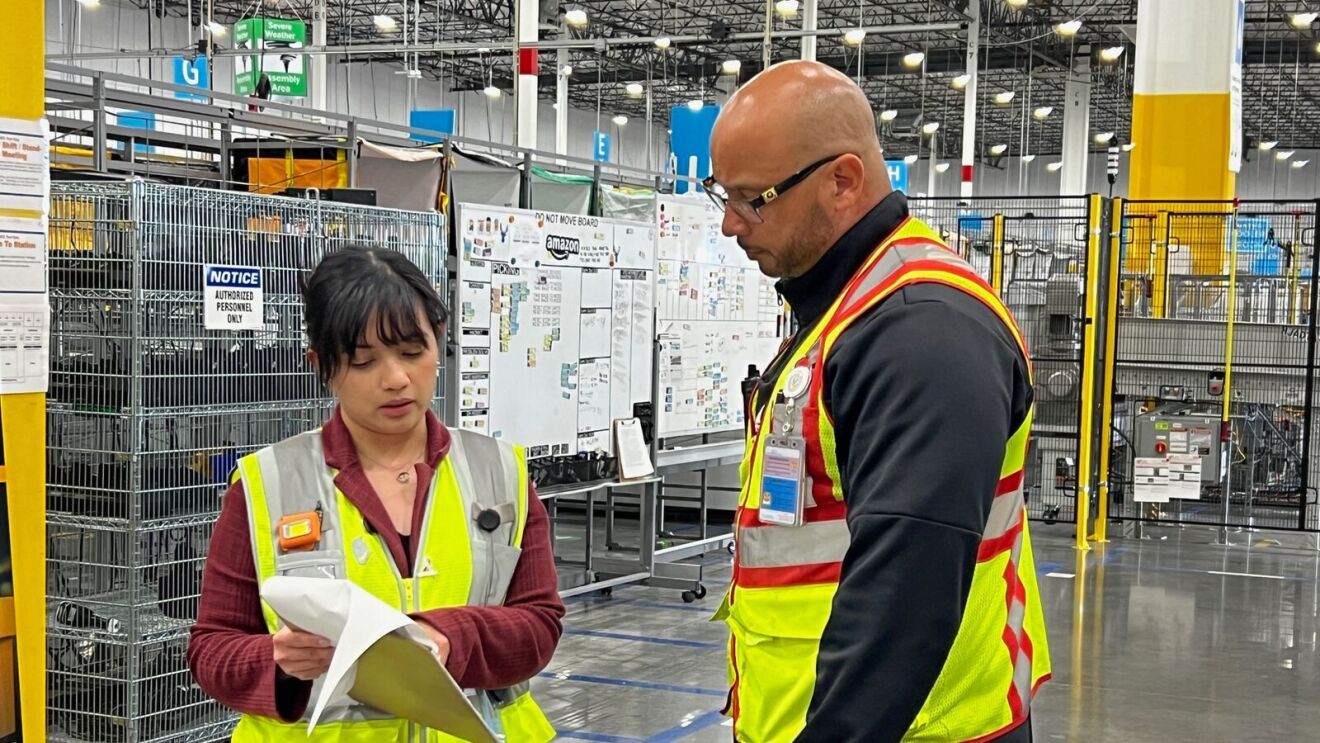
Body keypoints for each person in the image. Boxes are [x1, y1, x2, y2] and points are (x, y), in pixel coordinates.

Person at [706, 61, 1051, 742]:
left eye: (753, 200)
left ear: (842, 181)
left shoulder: (920, 331)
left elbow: (905, 598)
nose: (731, 225)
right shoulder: (847, 306)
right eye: (724, 196)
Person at [188, 246, 563, 741]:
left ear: (439, 341)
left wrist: (450, 638)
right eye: (364, 362)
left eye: (413, 352)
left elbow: (540, 622)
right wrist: (278, 659)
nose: (396, 379)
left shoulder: (500, 472)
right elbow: (212, 648)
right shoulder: (268, 484)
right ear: (322, 365)